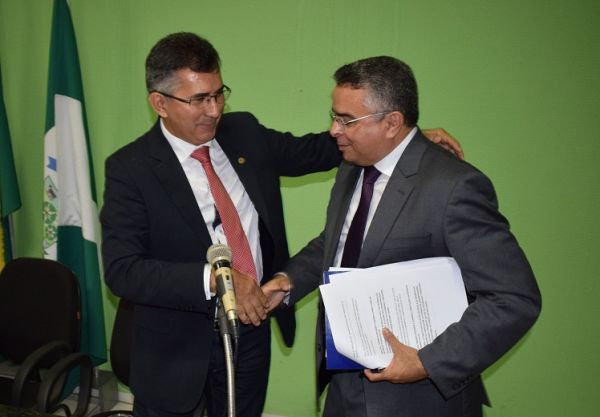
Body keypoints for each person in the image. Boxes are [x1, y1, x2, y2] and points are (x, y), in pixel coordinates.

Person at [100, 32, 463, 417]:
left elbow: (318, 149)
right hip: (175, 345)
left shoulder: (243, 133)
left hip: (252, 327)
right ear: (160, 103)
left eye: (219, 94)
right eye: (199, 99)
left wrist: (405, 139)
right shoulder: (130, 169)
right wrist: (215, 278)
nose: (214, 110)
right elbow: (123, 270)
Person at [263, 56, 541, 417]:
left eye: (347, 120)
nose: (333, 130)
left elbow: (514, 298)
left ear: (392, 122)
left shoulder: (454, 187)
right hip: (343, 389)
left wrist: (427, 361)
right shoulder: (352, 166)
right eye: (334, 116)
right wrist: (288, 281)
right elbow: (338, 241)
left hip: (418, 400)